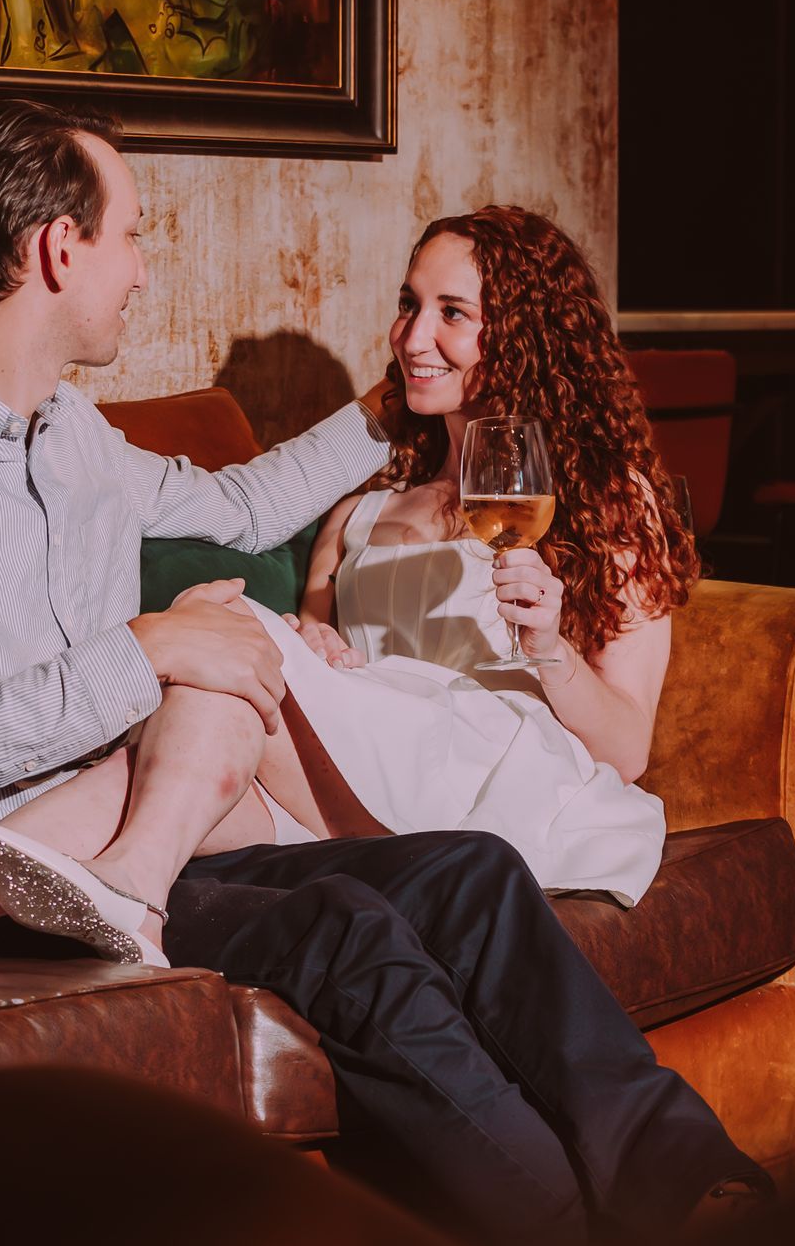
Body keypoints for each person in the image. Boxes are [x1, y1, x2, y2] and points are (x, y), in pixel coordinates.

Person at [0, 94, 766, 1246]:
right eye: (131, 236)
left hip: (155, 811)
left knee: (476, 878)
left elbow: (239, 508)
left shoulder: (72, 434)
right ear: (58, 249)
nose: (142, 271)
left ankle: (686, 1183)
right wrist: (144, 651)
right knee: (349, 929)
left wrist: (402, 393)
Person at [237, 205, 686, 906]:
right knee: (226, 661)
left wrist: (549, 646)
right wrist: (314, 638)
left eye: (453, 313)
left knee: (224, 630)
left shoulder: (604, 500)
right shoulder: (358, 512)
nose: (414, 337)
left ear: (523, 337)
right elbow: (314, 657)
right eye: (409, 305)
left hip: (500, 785)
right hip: (361, 778)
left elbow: (628, 751)